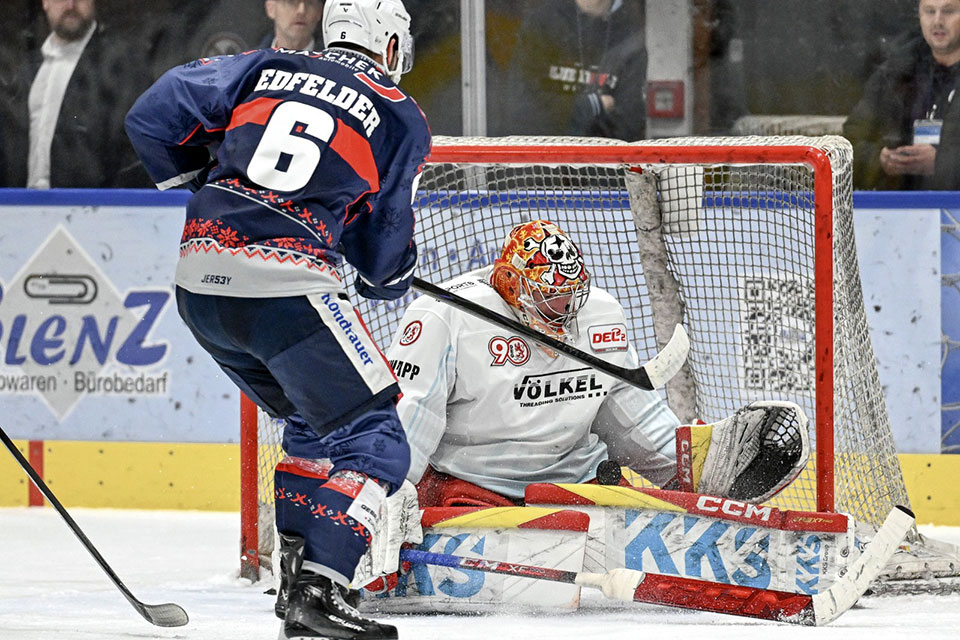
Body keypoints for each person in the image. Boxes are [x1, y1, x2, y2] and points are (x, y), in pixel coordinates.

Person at [124, 0, 430, 638]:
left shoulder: (264, 65)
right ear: (390, 43)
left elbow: (151, 115)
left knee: (313, 424)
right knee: (377, 440)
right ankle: (320, 588)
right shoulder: (400, 114)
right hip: (283, 286)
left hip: (196, 281)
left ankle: (294, 580)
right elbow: (379, 258)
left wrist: (209, 183)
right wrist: (392, 269)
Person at [386, 220, 810, 511]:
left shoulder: (599, 314)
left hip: (574, 482)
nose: (566, 312)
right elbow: (412, 414)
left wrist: (686, 465)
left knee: (627, 514)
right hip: (471, 489)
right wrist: (391, 494)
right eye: (553, 300)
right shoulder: (443, 315)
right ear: (511, 285)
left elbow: (624, 412)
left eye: (572, 297)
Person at [0, 0, 151, 188]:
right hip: (23, 210)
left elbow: (136, 155)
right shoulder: (27, 71)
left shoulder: (121, 66)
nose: (71, 5)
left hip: (90, 210)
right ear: (45, 3)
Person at [844, 0, 960, 190]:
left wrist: (941, 164)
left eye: (949, 11)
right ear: (920, 16)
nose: (938, 21)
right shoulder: (896, 71)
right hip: (898, 209)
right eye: (930, 11)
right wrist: (879, 161)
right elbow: (848, 144)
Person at [495, 0, 647, 140]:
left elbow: (629, 125)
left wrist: (563, 113)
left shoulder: (630, 33)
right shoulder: (543, 22)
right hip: (541, 164)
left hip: (603, 165)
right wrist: (593, 105)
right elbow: (523, 110)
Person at [259, 0, 324, 50]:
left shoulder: (332, 64)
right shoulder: (251, 63)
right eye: (291, 2)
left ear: (319, 11)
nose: (301, 11)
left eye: (310, 3)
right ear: (271, 8)